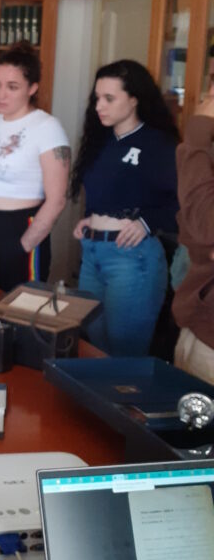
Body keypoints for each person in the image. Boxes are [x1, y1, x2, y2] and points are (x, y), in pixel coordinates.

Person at [70, 60, 179, 357]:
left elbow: (183, 200)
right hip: (92, 252)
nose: (99, 106)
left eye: (109, 98)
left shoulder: (158, 144)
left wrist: (147, 222)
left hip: (132, 257)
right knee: (93, 341)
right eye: (97, 98)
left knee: (123, 351)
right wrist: (91, 218)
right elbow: (107, 191)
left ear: (133, 100)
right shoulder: (99, 140)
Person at [0, 43, 70, 292]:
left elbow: (57, 200)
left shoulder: (47, 127)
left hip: (17, 227)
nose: (1, 95)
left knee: (17, 307)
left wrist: (22, 246)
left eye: (12, 87)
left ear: (32, 88)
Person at [172, 81, 214, 383]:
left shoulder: (201, 139)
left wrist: (197, 135)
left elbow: (204, 225)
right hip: (196, 318)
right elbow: (192, 232)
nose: (207, 103)